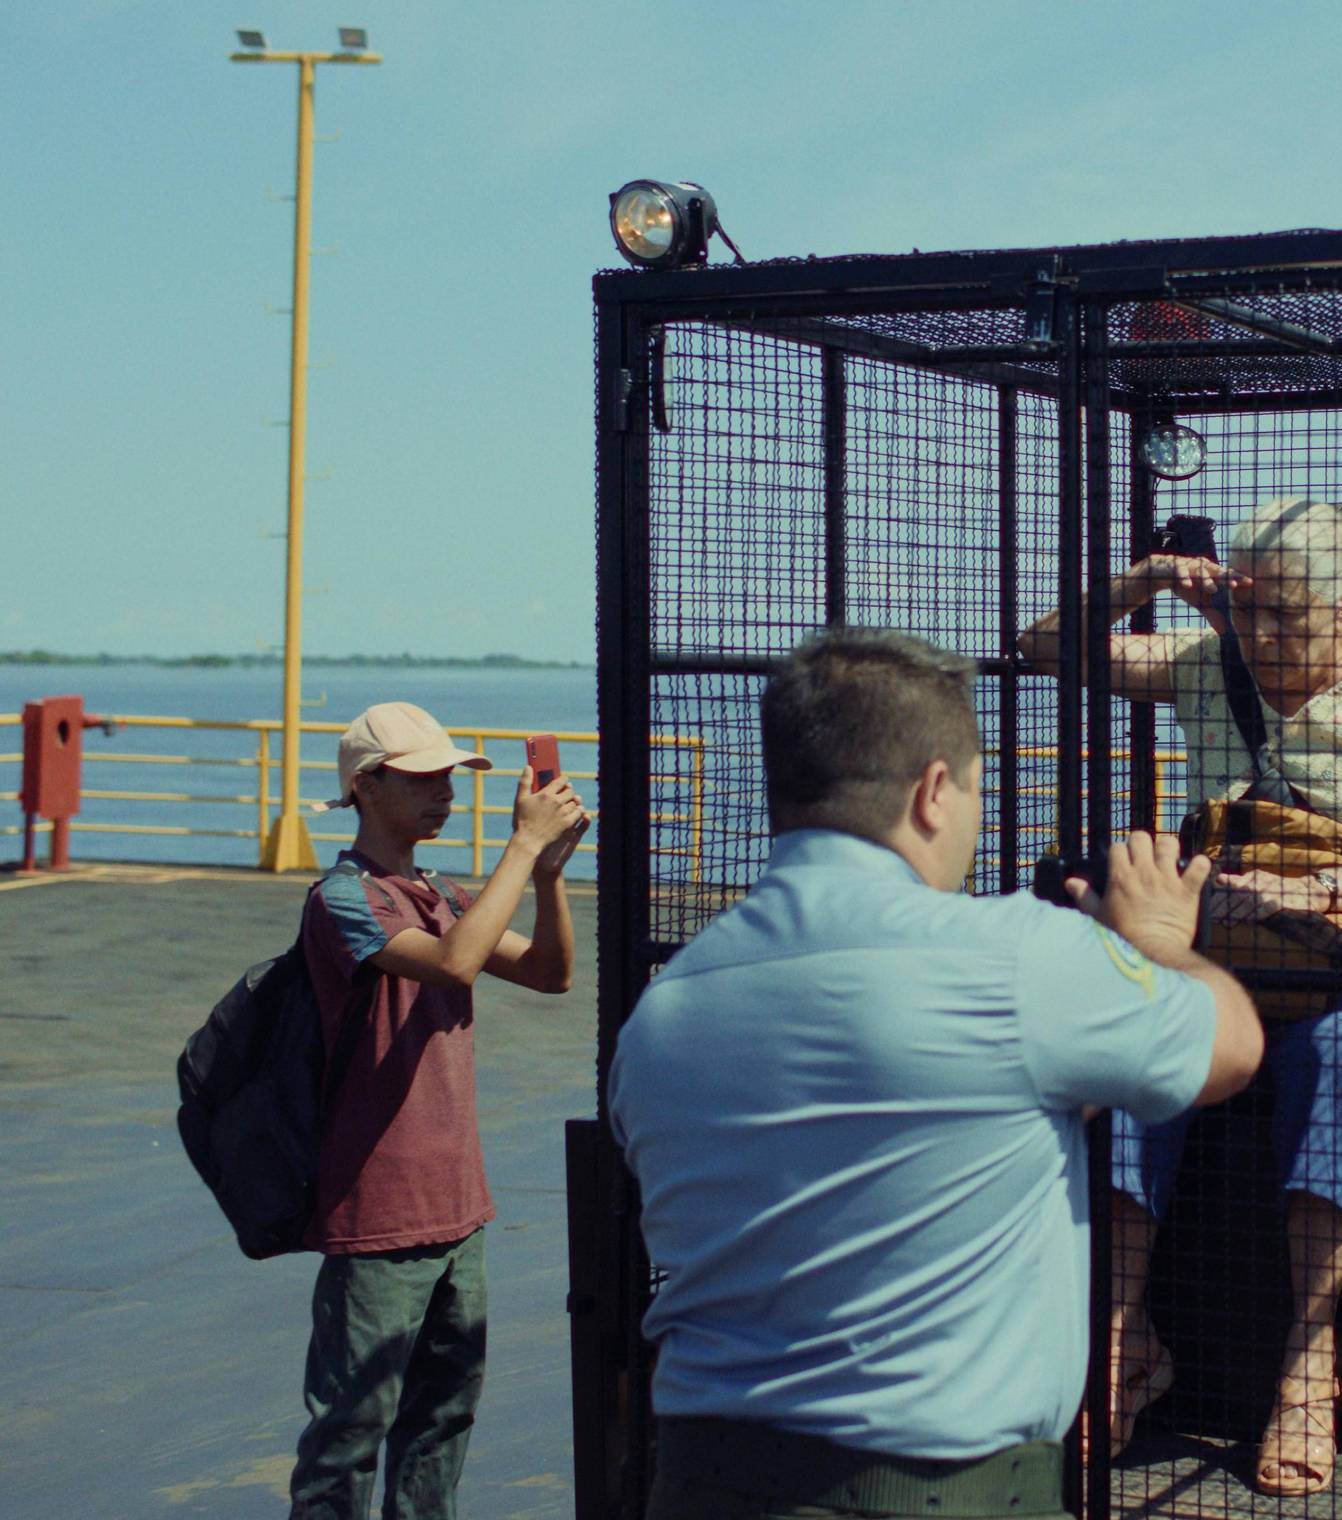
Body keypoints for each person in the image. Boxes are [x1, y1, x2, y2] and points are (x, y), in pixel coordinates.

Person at [607, 628, 1263, 1520]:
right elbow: (1229, 1046)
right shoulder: (1016, 958)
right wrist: (1151, 941)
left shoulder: (664, 1012)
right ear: (932, 794)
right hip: (938, 1495)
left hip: (693, 1482)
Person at [1017, 496, 1342, 1496]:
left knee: (1337, 1059)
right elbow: (1042, 647)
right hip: (1229, 954)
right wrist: (1143, 582)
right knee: (1140, 1053)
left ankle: (1309, 1365)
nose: (1264, 640)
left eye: (1290, 618)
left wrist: (1311, 892)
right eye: (1252, 613)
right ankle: (1125, 1338)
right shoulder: (1203, 662)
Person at [288, 701, 588, 1520]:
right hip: (379, 1214)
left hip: (458, 1209)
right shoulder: (344, 900)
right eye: (421, 780)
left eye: (449, 779)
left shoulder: (442, 894)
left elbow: (552, 975)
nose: (443, 795)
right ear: (365, 787)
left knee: (442, 1422)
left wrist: (551, 874)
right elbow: (455, 966)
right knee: (350, 1431)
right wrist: (522, 845)